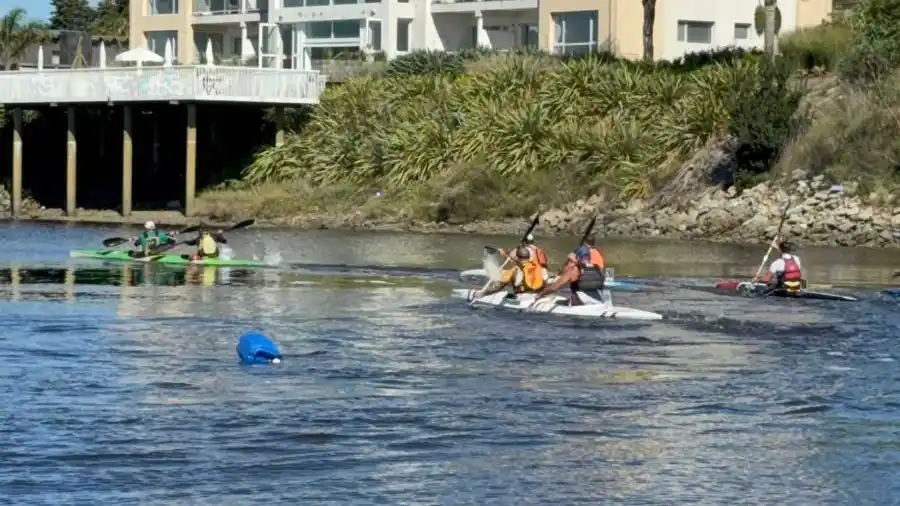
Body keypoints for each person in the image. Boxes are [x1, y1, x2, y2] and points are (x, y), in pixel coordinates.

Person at [475, 246, 545, 298]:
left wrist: (483, 293)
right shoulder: (537, 265)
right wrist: (504, 253)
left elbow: (499, 286)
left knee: (505, 282)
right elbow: (517, 261)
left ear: (517, 258)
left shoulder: (515, 270)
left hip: (522, 298)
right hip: (538, 294)